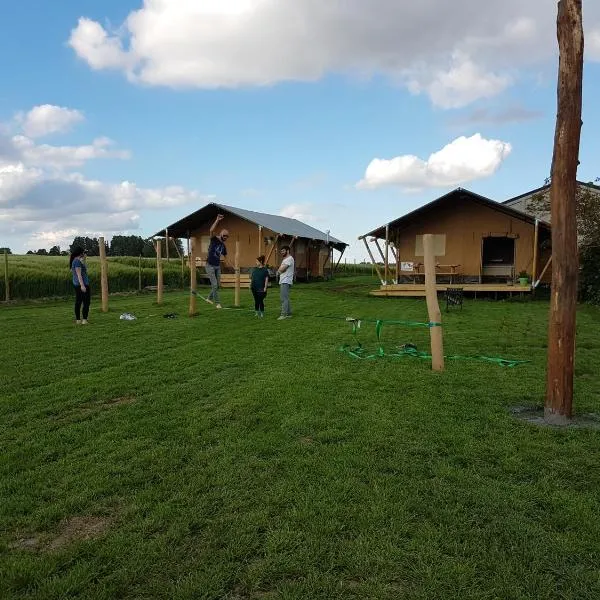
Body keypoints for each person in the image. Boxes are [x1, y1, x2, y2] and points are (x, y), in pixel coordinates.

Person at [205, 214, 229, 309]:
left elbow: (226, 256)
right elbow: (211, 230)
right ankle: (218, 303)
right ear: (221, 234)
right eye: (225, 236)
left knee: (218, 285)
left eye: (227, 236)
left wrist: (231, 266)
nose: (226, 238)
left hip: (217, 266)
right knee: (214, 285)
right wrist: (217, 220)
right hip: (209, 265)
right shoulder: (214, 239)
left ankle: (209, 298)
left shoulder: (223, 246)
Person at [69, 246, 90, 324]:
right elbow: (79, 275)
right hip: (82, 284)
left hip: (77, 284)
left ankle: (78, 320)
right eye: (84, 252)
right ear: (81, 253)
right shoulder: (77, 262)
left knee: (79, 301)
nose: (85, 254)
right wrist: (82, 286)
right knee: (86, 302)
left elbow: (83, 270)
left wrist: (84, 260)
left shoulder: (76, 261)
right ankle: (84, 320)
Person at [277, 245, 295, 320]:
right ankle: (288, 313)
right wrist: (280, 269)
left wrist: (279, 270)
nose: (282, 252)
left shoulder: (289, 259)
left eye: (283, 251)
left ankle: (283, 314)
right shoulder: (286, 259)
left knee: (283, 298)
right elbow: (281, 269)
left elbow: (282, 269)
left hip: (285, 280)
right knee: (286, 298)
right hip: (284, 280)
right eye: (281, 251)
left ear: (287, 251)